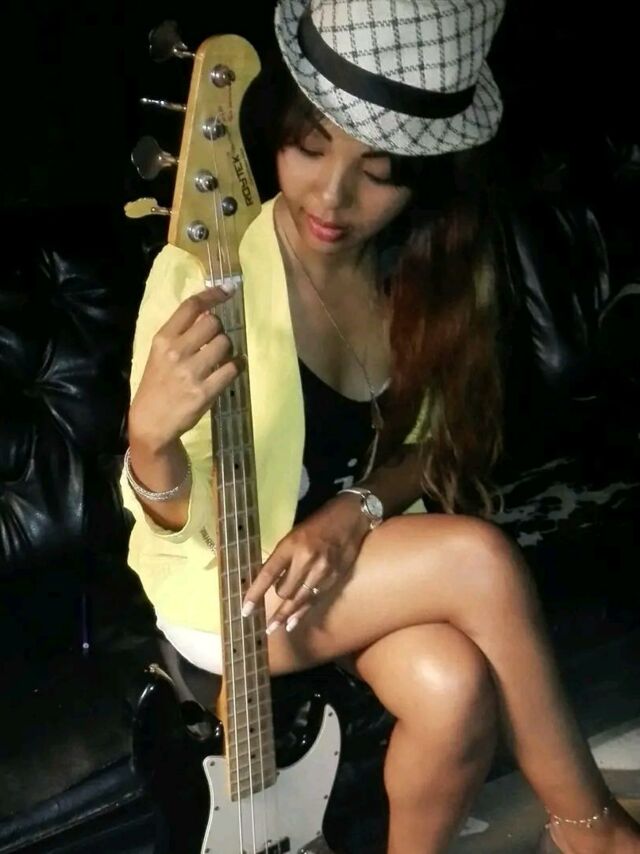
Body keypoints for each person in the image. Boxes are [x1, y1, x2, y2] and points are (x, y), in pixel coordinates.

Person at [121, 1, 640, 851]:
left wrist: (351, 512)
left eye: (379, 169)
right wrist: (150, 443)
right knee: (477, 559)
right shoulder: (207, 272)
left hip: (361, 562)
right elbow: (180, 523)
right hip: (233, 588)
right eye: (310, 145)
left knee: (453, 685)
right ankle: (595, 830)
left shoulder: (428, 273)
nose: (332, 195)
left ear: (423, 177)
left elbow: (430, 449)